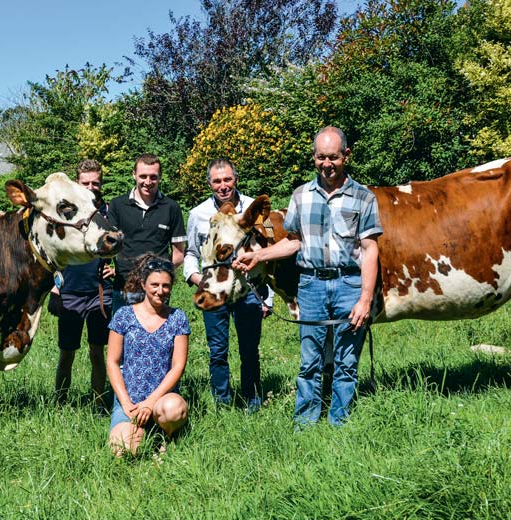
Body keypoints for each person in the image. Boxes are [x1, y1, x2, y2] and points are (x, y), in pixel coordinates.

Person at [234, 126, 382, 426]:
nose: (327, 164)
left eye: (333, 157)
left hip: (349, 285)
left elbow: (370, 249)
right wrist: (258, 255)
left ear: (346, 156)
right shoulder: (301, 195)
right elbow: (294, 241)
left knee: (346, 362)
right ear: (313, 157)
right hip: (311, 285)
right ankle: (305, 425)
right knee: (310, 361)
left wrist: (365, 299)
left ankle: (340, 424)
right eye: (321, 157)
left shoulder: (363, 197)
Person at [184, 158, 271, 412]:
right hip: (214, 291)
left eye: (227, 179)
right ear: (209, 183)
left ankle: (252, 400)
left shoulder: (256, 212)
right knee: (218, 350)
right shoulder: (198, 214)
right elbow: (190, 252)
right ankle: (222, 402)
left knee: (249, 349)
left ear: (236, 179)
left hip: (249, 291)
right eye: (217, 181)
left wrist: (269, 298)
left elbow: (269, 251)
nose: (223, 186)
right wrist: (197, 278)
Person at [106, 254, 190, 457]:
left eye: (166, 286)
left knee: (173, 409)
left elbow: (178, 366)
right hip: (130, 401)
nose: (160, 291)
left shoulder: (177, 317)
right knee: (123, 452)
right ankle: (138, 430)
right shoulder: (123, 315)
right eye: (154, 285)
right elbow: (112, 361)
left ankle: (166, 438)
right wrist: (126, 403)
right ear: (143, 284)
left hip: (162, 399)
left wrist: (151, 402)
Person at [47, 159, 115, 409]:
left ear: (101, 183)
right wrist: (55, 286)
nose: (91, 186)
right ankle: (60, 404)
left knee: (98, 353)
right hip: (70, 292)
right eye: (85, 182)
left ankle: (98, 404)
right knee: (66, 354)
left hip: (100, 294)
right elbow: (53, 251)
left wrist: (116, 268)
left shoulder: (109, 212)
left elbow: (119, 245)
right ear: (77, 183)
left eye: (95, 182)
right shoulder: (66, 212)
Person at [108, 154, 186, 311]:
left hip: (157, 291)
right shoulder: (117, 205)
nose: (148, 182)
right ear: (134, 174)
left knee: (155, 334)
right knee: (122, 334)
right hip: (124, 287)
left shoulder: (171, 208)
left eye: (153, 177)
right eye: (143, 176)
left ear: (160, 177)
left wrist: (161, 277)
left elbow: (178, 254)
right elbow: (110, 245)